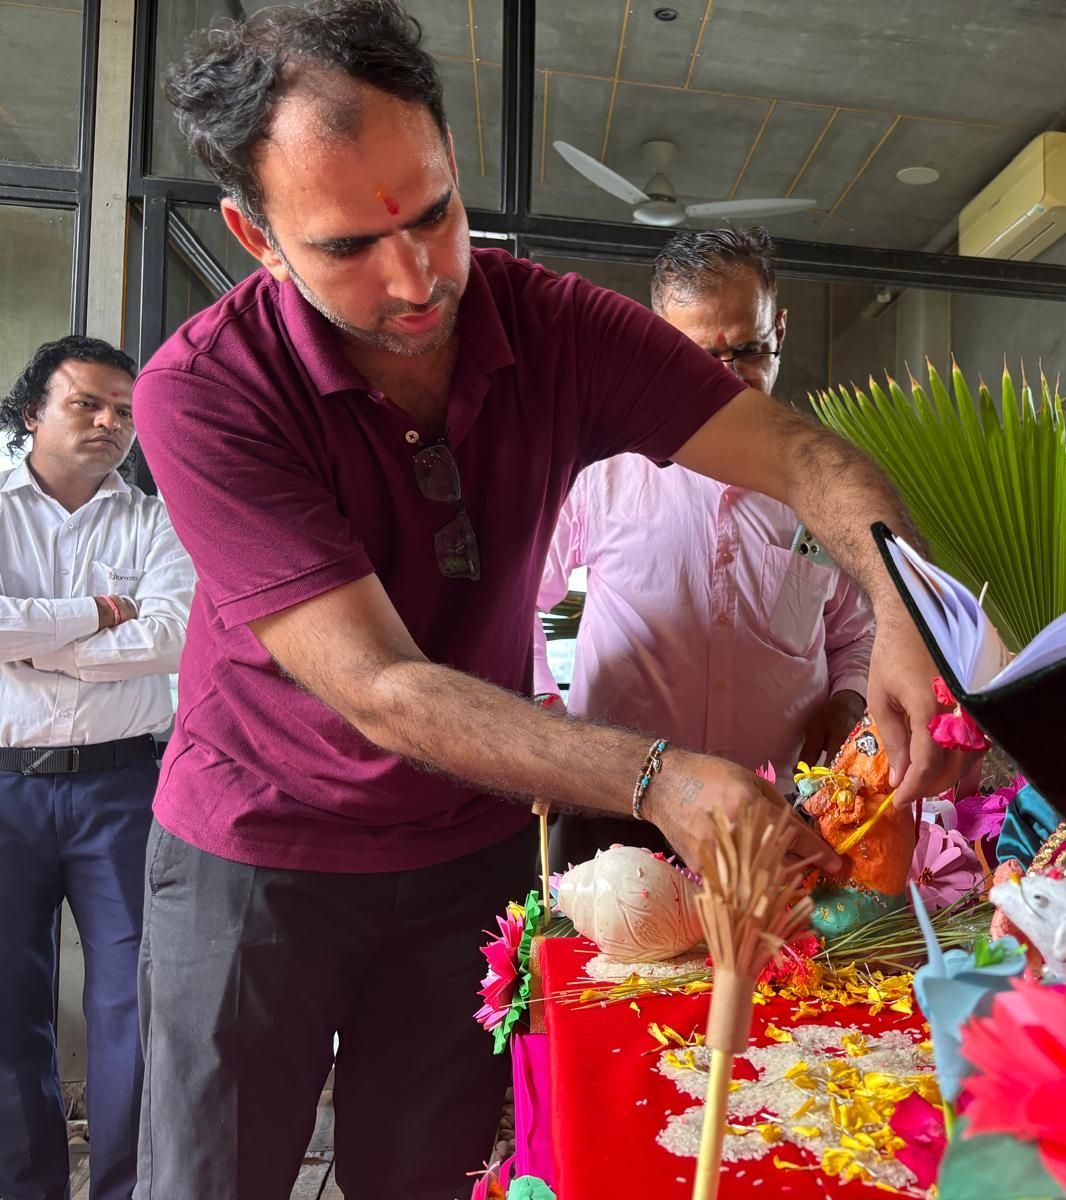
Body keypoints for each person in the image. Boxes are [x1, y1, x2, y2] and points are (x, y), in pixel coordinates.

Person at [134, 4, 955, 1197]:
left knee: (434, 1176)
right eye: (347, 246)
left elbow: (803, 458)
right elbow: (381, 687)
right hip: (259, 849)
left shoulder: (552, 326)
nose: (417, 279)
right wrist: (656, 776)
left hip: (467, 844)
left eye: (433, 214)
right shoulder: (208, 392)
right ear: (255, 236)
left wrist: (905, 605)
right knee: (214, 1178)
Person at [534, 227, 876, 868]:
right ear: (654, 344)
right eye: (695, 357)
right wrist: (544, 718)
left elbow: (855, 633)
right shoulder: (601, 473)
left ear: (779, 331)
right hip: (619, 815)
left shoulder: (824, 487)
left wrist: (847, 700)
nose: (725, 381)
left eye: (747, 351)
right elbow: (519, 599)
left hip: (778, 819)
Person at [0, 336, 194, 1200]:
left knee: (137, 1006)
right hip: (3, 785)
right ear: (32, 411)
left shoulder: (156, 520)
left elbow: (175, 633)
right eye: (88, 403)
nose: (111, 423)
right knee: (5, 1007)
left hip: (125, 788)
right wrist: (100, 612)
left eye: (125, 410)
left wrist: (40, 646)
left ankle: (126, 1188)